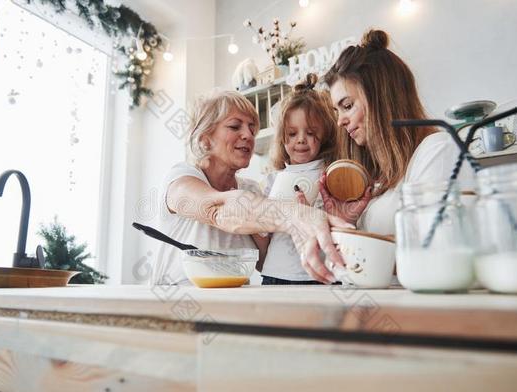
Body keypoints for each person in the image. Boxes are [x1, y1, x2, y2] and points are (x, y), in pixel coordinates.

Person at [152, 89, 352, 285]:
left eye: (251, 128)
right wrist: (296, 215)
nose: (248, 135)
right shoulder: (181, 177)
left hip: (235, 309)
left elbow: (265, 262)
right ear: (205, 138)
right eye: (235, 126)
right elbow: (217, 209)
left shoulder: (253, 191)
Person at [320, 29, 474, 235]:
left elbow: (438, 249)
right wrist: (346, 222)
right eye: (336, 111)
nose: (339, 121)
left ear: (382, 99)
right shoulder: (378, 177)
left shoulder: (438, 151)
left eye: (347, 105)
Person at [260, 73, 340, 285]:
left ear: (326, 135)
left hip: (319, 274)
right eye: (292, 133)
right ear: (281, 138)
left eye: (311, 132)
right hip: (275, 273)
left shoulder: (331, 173)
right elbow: (262, 230)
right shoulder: (273, 178)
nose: (301, 140)